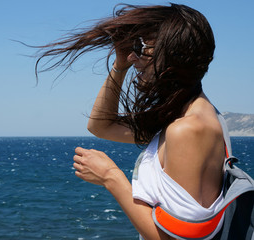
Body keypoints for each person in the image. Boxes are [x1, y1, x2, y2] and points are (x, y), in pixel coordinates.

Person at [35, 3, 228, 239]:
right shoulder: (183, 115)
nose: (135, 57)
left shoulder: (188, 129)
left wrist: (111, 177)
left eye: (143, 47)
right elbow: (101, 125)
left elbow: (171, 238)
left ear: (173, 54)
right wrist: (120, 65)